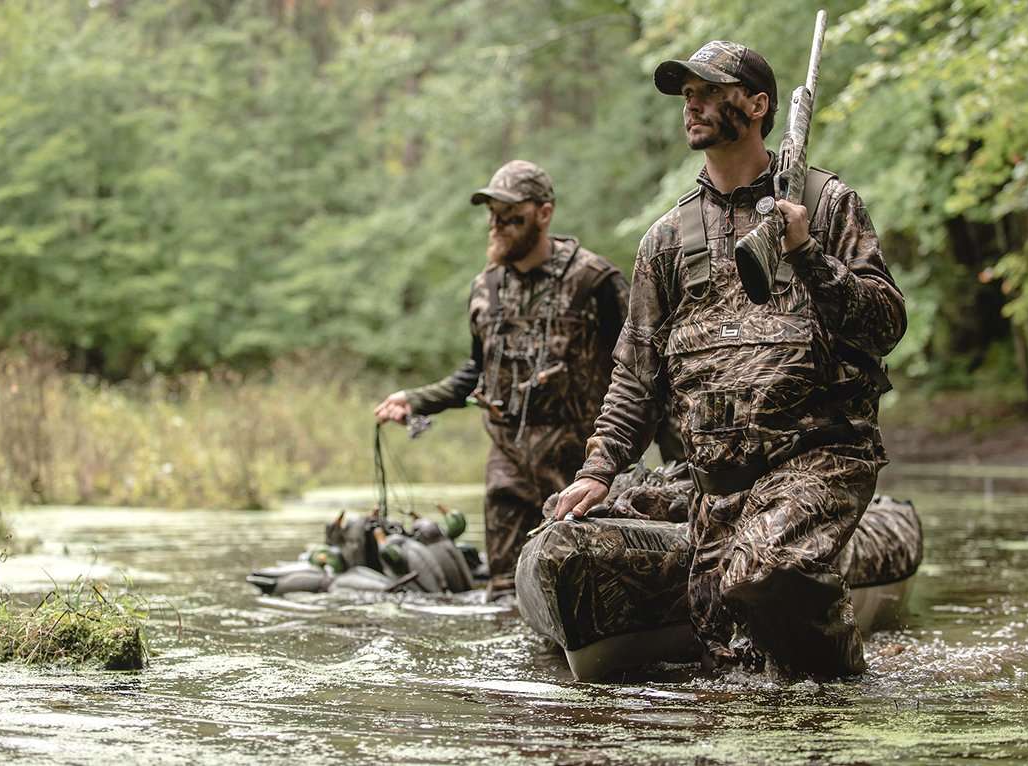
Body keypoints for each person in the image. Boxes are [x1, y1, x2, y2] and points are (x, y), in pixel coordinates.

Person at [552, 41, 907, 678]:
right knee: (737, 668)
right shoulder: (665, 240)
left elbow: (884, 324)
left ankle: (854, 692)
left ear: (758, 104)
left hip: (819, 455)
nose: (693, 105)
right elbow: (636, 373)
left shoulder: (827, 206)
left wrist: (805, 253)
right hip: (717, 485)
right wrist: (598, 470)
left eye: (710, 91)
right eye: (686, 94)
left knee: (764, 573)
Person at [375, 160, 629, 594]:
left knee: (586, 590)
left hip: (583, 470)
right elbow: (478, 371)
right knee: (506, 591)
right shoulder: (485, 289)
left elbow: (640, 370)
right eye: (491, 213)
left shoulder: (595, 281)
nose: (497, 224)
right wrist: (416, 399)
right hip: (508, 468)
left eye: (511, 214)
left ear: (543, 214)